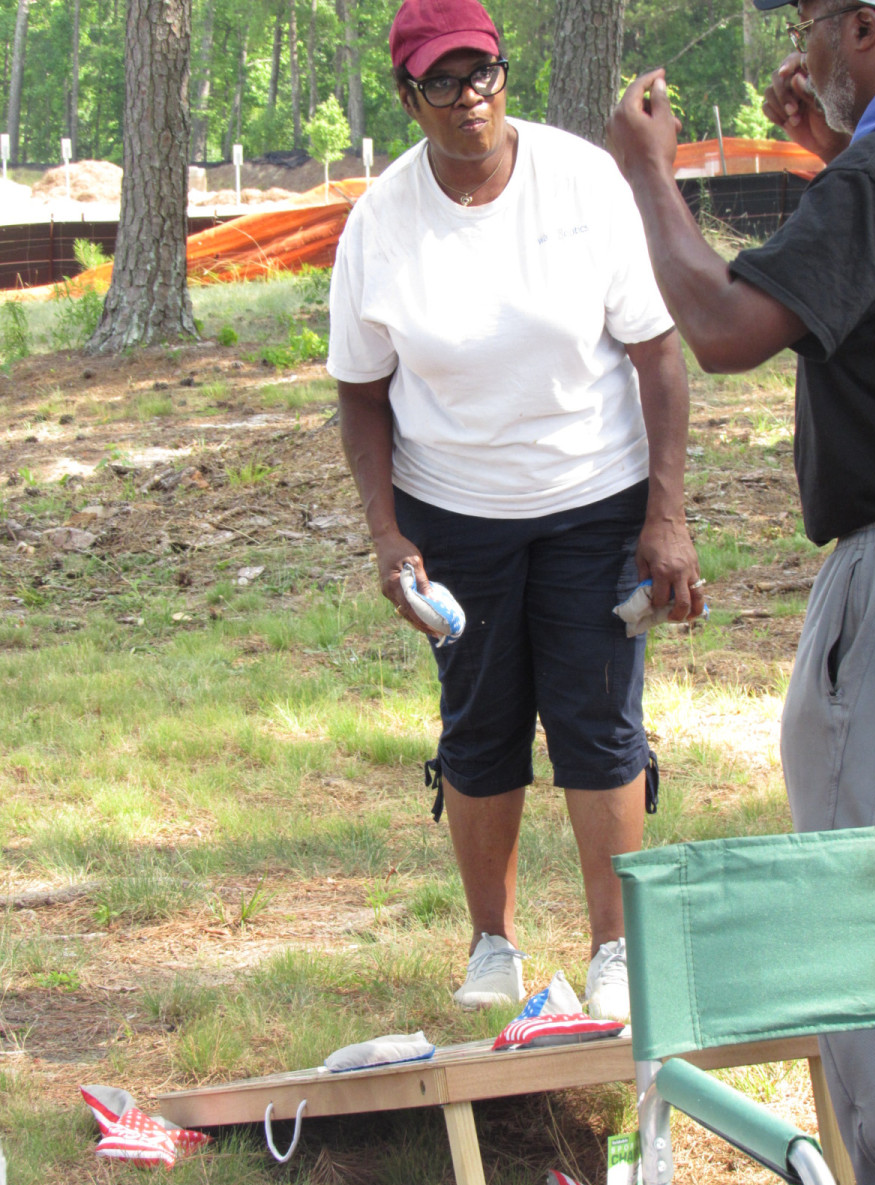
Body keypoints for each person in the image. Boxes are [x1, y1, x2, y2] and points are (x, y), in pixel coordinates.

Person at [327, 0, 703, 1019]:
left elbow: (657, 352)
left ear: (504, 73)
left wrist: (666, 515)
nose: (470, 99)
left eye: (482, 72)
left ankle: (615, 951)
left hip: (596, 499)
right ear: (409, 97)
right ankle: (491, 947)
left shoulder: (581, 181)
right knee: (480, 726)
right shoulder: (381, 221)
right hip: (454, 513)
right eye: (442, 82)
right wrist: (387, 534)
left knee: (598, 719)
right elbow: (360, 392)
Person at [608, 2, 875, 1185]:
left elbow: (727, 329)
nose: (799, 53)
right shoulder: (873, 167)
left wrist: (648, 174)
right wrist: (835, 157)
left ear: (864, 28)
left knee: (866, 878)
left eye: (807, 22)